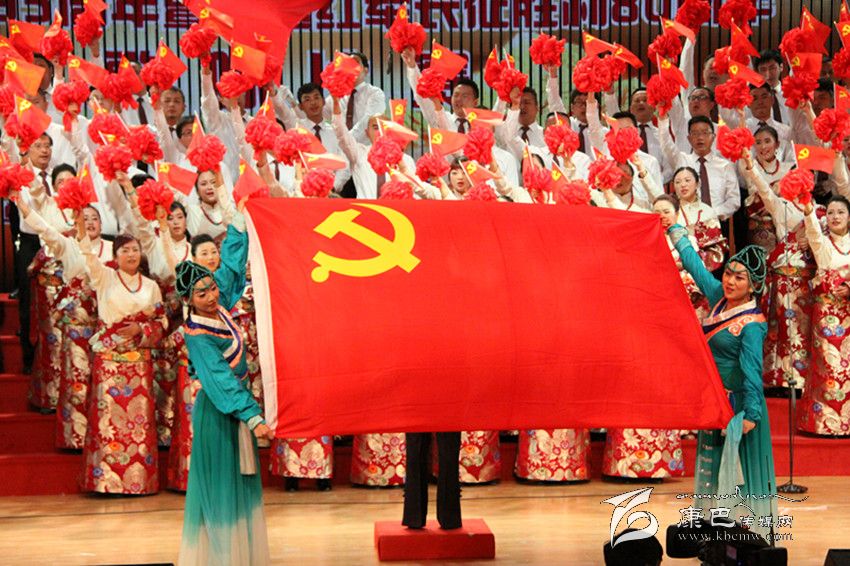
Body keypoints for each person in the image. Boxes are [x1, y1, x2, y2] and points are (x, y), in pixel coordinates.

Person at [176, 206, 275, 564]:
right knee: (221, 490)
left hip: (236, 410)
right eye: (201, 294)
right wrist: (252, 415)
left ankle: (240, 556)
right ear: (189, 301)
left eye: (211, 288)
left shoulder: (219, 308)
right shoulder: (197, 333)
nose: (212, 296)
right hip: (219, 413)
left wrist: (237, 224)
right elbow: (219, 379)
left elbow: (231, 271)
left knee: (239, 486)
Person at [668, 225, 778, 538]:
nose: (729, 281)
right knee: (714, 464)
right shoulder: (719, 298)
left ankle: (744, 535)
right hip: (717, 400)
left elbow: (752, 370)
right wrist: (676, 232)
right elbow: (697, 268)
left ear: (753, 286)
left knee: (739, 469)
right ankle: (712, 532)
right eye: (729, 273)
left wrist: (752, 415)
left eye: (739, 278)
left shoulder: (752, 325)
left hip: (741, 406)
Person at [79, 231, 167, 494]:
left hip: (139, 364)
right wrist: (81, 229)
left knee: (139, 424)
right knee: (107, 423)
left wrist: (141, 329)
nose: (131, 255)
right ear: (115, 256)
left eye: (135, 249)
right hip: (109, 363)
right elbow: (88, 256)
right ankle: (105, 483)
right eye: (125, 250)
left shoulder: (151, 286)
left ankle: (138, 483)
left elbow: (161, 322)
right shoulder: (104, 277)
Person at [740, 157, 815, 393]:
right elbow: (764, 189)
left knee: (803, 329)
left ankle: (802, 379)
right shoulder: (781, 206)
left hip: (807, 279)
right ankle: (778, 378)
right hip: (783, 277)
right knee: (781, 326)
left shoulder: (820, 212)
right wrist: (751, 166)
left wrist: (810, 240)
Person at [798, 195, 850, 435]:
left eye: (840, 212)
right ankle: (824, 424)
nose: (835, 216)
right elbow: (813, 232)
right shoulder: (822, 244)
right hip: (827, 315)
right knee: (827, 367)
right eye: (830, 213)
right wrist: (808, 210)